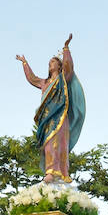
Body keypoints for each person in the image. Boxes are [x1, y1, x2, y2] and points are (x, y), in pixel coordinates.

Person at [18, 34, 84, 183]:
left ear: (59, 65)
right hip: (47, 118)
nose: (50, 64)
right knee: (49, 144)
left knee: (61, 143)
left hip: (60, 115)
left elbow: (69, 67)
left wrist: (66, 48)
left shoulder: (62, 79)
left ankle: (62, 172)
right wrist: (24, 63)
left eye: (53, 62)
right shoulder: (44, 82)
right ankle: (50, 171)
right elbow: (32, 78)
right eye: (49, 62)